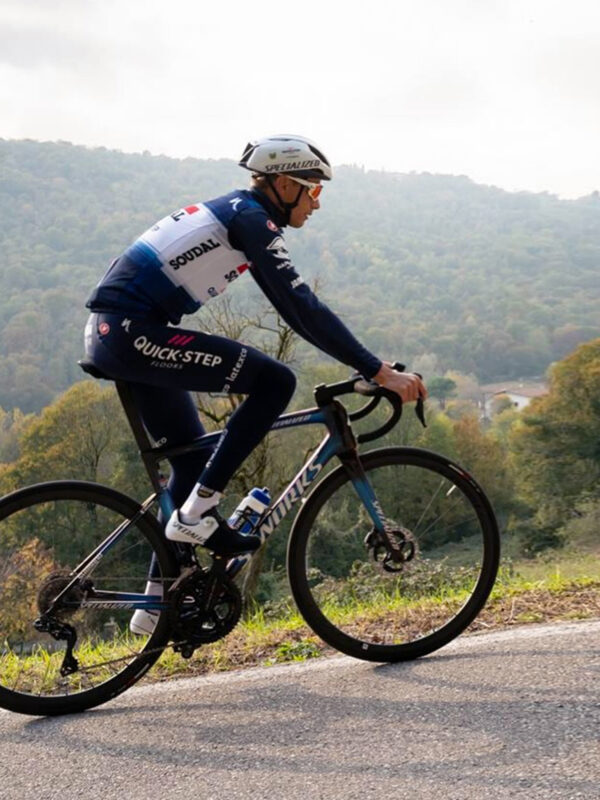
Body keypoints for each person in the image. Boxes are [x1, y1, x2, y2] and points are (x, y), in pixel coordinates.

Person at [84, 135, 426, 630]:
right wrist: (378, 371)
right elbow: (300, 308)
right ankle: (201, 512)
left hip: (124, 332)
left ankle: (155, 608)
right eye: (312, 190)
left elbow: (298, 311)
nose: (317, 201)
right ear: (284, 184)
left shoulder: (241, 213)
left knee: (191, 462)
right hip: (130, 333)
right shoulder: (251, 219)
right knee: (274, 382)